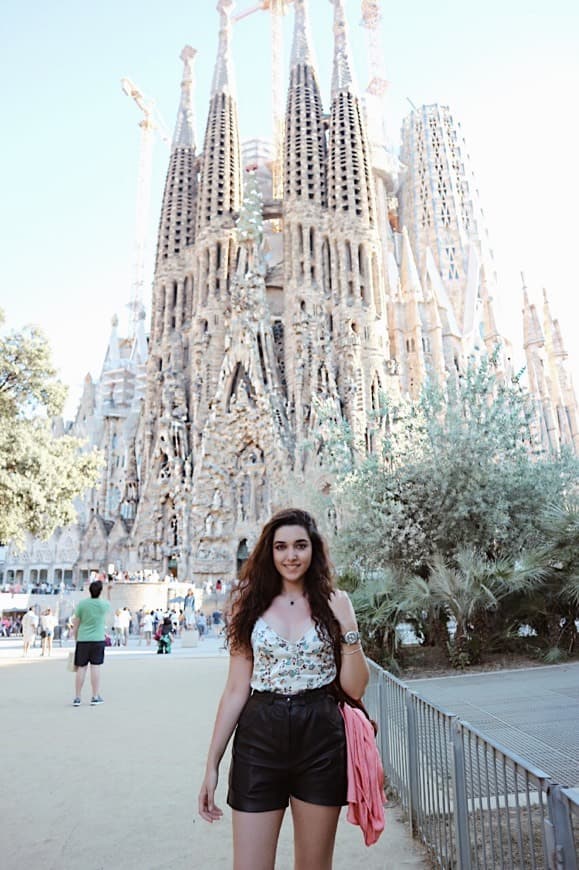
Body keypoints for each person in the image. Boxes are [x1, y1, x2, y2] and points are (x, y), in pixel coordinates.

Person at [198, 508, 369, 870]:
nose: (291, 555)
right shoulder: (249, 605)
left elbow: (354, 688)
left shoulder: (334, 604)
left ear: (314, 550)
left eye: (300, 546)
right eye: (281, 547)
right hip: (260, 735)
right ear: (269, 552)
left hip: (320, 736)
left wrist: (349, 625)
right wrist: (212, 764)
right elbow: (234, 689)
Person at [70, 579, 110, 707]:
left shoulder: (82, 604)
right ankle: (95, 695)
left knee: (81, 668)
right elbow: (108, 602)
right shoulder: (103, 605)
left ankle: (77, 697)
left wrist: (75, 637)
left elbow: (76, 623)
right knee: (95, 667)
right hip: (98, 639)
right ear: (100, 592)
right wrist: (108, 591)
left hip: (83, 639)